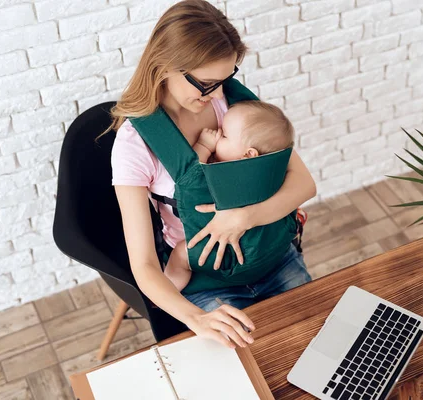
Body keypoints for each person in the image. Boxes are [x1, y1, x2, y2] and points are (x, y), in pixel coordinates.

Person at [106, 0, 316, 350]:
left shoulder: (227, 106)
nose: (218, 94)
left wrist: (241, 218)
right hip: (207, 282)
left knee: (320, 346)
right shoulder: (135, 146)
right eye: (206, 83)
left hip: (271, 254)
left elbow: (303, 183)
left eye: (225, 79)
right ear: (165, 66)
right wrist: (195, 318)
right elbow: (143, 265)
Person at [164, 100, 296, 291]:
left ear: (248, 155)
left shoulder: (227, 173)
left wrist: (203, 145)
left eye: (224, 135)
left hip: (226, 251)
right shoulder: (272, 172)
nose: (217, 134)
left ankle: (169, 291)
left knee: (180, 254)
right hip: (266, 247)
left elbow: (190, 176)